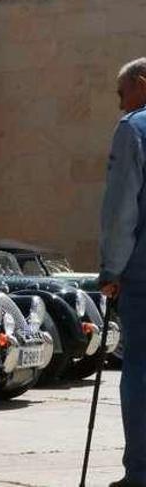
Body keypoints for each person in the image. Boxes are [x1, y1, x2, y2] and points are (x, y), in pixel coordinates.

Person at [100, 58, 146, 487]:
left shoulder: (133, 129)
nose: (119, 102)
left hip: (143, 275)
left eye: (121, 92)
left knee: (140, 368)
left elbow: (120, 212)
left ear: (141, 85)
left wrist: (110, 269)